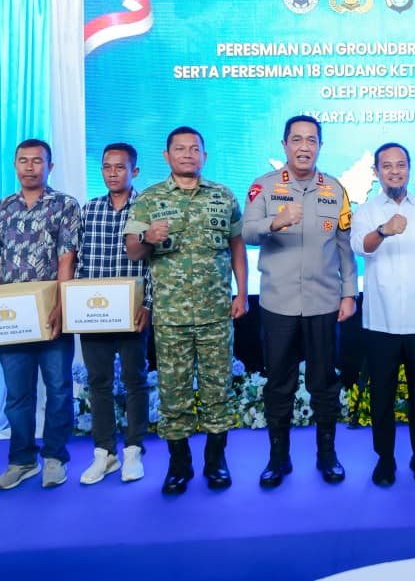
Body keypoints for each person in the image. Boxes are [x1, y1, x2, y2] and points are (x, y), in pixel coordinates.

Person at [124, 126, 248, 493]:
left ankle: (216, 460)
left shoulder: (223, 195)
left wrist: (242, 293)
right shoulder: (148, 199)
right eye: (180, 149)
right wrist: (147, 237)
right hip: (171, 317)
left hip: (216, 314)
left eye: (195, 149)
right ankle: (179, 464)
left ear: (204, 156)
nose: (188, 154)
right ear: (167, 156)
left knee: (218, 390)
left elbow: (237, 245)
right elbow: (132, 250)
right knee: (173, 392)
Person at [243, 115, 358, 488]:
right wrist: (274, 223)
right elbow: (246, 233)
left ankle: (327, 455)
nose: (304, 147)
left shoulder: (336, 190)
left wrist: (349, 293)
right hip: (278, 304)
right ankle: (279, 458)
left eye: (311, 140)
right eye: (297, 139)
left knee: (324, 383)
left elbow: (344, 247)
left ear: (320, 146)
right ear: (285, 145)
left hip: (324, 303)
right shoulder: (263, 186)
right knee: (279, 384)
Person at [0, 139, 80, 490]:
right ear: (15, 165)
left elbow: (67, 259)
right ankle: (21, 460)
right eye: (23, 160)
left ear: (50, 166)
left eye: (38, 161)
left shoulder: (65, 205)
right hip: (10, 319)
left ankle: (54, 457)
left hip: (51, 314)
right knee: (18, 394)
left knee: (59, 389)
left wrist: (62, 307)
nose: (30, 166)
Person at [351, 143, 415, 486]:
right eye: (387, 166)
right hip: (380, 322)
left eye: (401, 165)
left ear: (409, 169)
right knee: (381, 395)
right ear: (376, 172)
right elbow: (359, 246)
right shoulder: (366, 211)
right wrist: (383, 230)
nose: (394, 171)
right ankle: (385, 459)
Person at [76, 143, 153, 485]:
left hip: (132, 312)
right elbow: (78, 261)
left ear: (134, 171)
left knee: (135, 381)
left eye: (120, 167)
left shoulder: (146, 208)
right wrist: (75, 306)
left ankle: (133, 450)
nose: (112, 173)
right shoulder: (89, 209)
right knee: (99, 382)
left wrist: (148, 304)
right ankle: (104, 453)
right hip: (93, 314)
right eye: (107, 167)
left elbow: (153, 264)